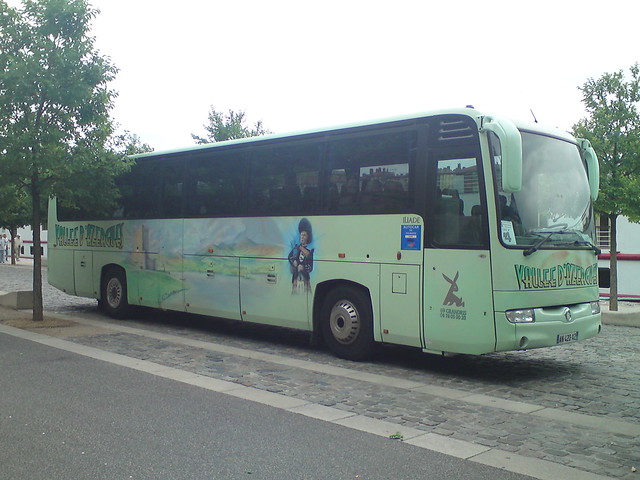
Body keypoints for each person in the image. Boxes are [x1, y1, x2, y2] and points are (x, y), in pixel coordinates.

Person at [288, 218, 314, 293]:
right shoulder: (296, 249)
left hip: (305, 278)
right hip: (296, 277)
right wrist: (294, 262)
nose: (302, 237)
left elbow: (310, 266)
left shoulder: (310, 250)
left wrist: (302, 268)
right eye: (301, 235)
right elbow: (290, 257)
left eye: (304, 235)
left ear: (308, 237)